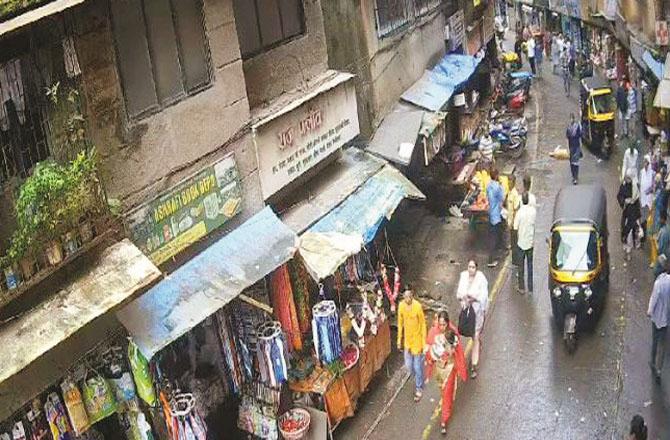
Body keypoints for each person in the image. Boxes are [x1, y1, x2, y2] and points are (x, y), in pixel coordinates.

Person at [425, 311, 467, 435]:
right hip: (439, 369)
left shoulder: (452, 333)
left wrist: (451, 352)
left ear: (447, 323)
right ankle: (445, 410)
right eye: (440, 324)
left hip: (449, 368)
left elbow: (457, 351)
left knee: (447, 394)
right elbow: (428, 349)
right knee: (443, 393)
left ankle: (444, 419)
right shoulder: (433, 332)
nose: (442, 327)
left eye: (444, 324)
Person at [456, 260, 489, 379]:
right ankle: (477, 344)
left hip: (477, 313)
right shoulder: (463, 276)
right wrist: (464, 299)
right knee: (468, 333)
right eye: (469, 267)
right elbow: (459, 294)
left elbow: (484, 297)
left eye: (473, 267)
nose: (471, 270)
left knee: (475, 336)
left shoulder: (481, 279)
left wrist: (473, 298)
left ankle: (474, 365)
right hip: (466, 313)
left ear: (477, 268)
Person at [397, 287, 427, 401]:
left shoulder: (418, 307)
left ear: (412, 297)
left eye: (408, 297)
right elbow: (400, 324)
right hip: (408, 342)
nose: (407, 299)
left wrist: (423, 342)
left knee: (417, 366)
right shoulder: (401, 306)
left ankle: (419, 388)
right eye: (405, 297)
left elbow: (423, 324)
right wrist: (399, 340)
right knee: (409, 366)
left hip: (417, 340)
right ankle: (419, 378)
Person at [647, 260, 670, 383]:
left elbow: (653, 299)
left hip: (656, 318)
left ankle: (652, 361)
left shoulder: (658, 284)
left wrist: (649, 311)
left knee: (655, 340)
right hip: (666, 319)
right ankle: (659, 369)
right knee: (662, 343)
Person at [514, 192, 536, 294]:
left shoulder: (519, 213)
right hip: (530, 242)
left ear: (522, 201)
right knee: (530, 266)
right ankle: (530, 287)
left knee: (521, 266)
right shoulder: (533, 211)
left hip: (521, 243)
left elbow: (515, 227)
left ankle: (521, 287)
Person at [618, 169, 641, 261]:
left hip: (633, 215)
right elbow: (619, 196)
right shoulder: (623, 186)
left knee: (631, 234)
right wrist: (624, 201)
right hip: (626, 213)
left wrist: (637, 217)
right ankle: (626, 250)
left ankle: (629, 251)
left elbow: (637, 203)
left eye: (628, 178)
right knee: (625, 233)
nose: (627, 179)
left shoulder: (635, 187)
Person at [486, 169, 505, 267]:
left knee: (494, 236)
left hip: (490, 214)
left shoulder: (488, 185)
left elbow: (488, 198)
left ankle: (496, 255)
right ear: (496, 175)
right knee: (494, 238)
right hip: (496, 215)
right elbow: (503, 198)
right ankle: (491, 260)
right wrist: (501, 186)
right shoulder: (498, 187)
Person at [506, 174, 521, 263]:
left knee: (515, 242)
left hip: (514, 223)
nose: (508, 184)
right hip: (510, 221)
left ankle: (516, 261)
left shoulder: (515, 194)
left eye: (510, 182)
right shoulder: (510, 192)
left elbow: (516, 209)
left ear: (514, 183)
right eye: (508, 182)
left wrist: (513, 223)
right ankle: (514, 260)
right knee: (513, 242)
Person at [640, 155, 654, 243]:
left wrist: (648, 191)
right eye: (644, 162)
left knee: (646, 219)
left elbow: (653, 186)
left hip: (648, 201)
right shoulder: (641, 172)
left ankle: (644, 236)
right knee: (642, 219)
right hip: (642, 200)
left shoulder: (652, 173)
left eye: (646, 163)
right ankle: (642, 236)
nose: (645, 164)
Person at [566, 114, 582, 184]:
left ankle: (576, 177)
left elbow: (580, 136)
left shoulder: (577, 126)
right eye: (570, 119)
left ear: (573, 119)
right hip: (571, 147)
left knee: (576, 163)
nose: (571, 120)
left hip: (577, 146)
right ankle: (573, 176)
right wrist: (567, 148)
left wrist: (580, 147)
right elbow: (567, 138)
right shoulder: (568, 128)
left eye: (572, 119)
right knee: (572, 163)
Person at [654, 212, 670, 277]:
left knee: (657, 271)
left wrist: (655, 241)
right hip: (667, 254)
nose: (659, 219)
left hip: (663, 255)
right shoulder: (667, 229)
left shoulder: (663, 232)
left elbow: (660, 249)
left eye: (660, 218)